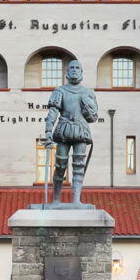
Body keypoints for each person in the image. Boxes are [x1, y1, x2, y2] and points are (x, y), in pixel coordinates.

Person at [39, 59, 101, 204]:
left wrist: (89, 107)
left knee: (79, 166)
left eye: (77, 67)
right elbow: (53, 112)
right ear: (67, 71)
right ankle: (56, 199)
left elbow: (93, 117)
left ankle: (76, 201)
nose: (74, 70)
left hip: (81, 130)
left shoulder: (88, 93)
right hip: (64, 131)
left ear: (81, 71)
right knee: (60, 165)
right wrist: (48, 131)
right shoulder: (60, 91)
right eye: (71, 67)